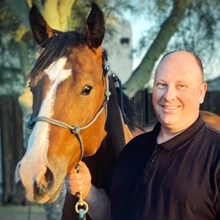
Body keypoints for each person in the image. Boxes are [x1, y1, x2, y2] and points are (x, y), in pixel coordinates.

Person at [66, 51, 220, 220]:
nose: (168, 96)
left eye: (181, 86)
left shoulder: (215, 156)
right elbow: (110, 213)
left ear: (201, 92)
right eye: (161, 84)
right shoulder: (132, 149)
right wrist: (87, 189)